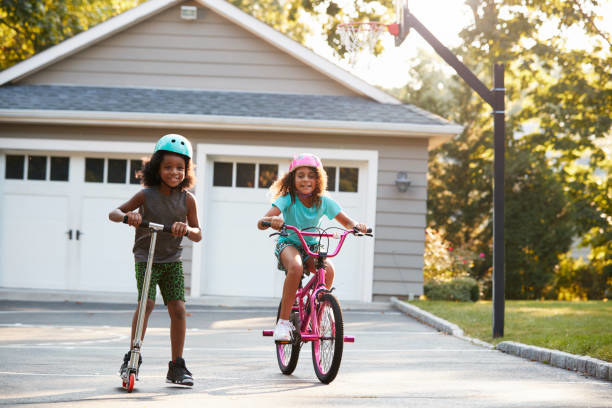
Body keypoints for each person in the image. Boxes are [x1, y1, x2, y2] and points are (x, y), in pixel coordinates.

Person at [108, 134, 201, 386]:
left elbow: (198, 233)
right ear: (156, 168)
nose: (174, 172)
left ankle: (177, 366)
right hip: (146, 258)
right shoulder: (145, 195)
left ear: (187, 170)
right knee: (146, 304)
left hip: (171, 260)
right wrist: (130, 217)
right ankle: (133, 357)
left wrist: (186, 229)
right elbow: (114, 213)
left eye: (180, 168)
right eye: (168, 167)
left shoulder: (187, 199)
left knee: (178, 309)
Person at [257, 153, 367, 341]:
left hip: (312, 244)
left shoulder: (324, 201)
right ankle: (283, 323)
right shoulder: (287, 199)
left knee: (328, 270)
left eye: (311, 175)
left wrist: (357, 226)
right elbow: (261, 222)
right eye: (300, 175)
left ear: (319, 179)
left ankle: (318, 308)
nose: (306, 180)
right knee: (296, 267)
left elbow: (347, 222)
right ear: (292, 179)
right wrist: (272, 221)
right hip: (289, 243)